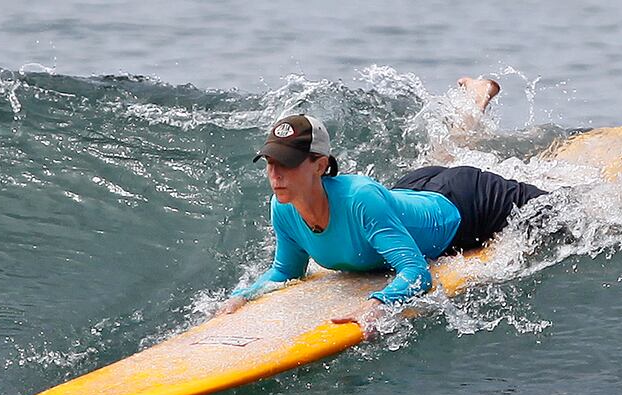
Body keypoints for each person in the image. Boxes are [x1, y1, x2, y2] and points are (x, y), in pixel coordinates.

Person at [217, 78, 546, 335]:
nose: (274, 174)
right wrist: (245, 295)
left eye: (286, 163)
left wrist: (378, 305)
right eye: (270, 163)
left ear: (319, 165)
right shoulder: (284, 207)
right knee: (440, 161)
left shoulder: (359, 198)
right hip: (412, 192)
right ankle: (475, 99)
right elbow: (286, 271)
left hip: (467, 206)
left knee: (559, 209)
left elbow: (417, 274)